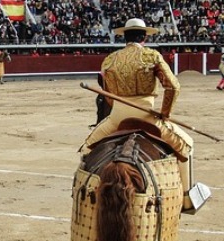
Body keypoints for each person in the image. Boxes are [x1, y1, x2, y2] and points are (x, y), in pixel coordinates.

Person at [80, 18, 193, 197]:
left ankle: (81, 193)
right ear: (144, 37)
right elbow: (173, 87)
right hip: (147, 116)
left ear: (124, 37)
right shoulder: (151, 56)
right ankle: (187, 197)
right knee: (186, 145)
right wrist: (165, 114)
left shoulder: (109, 60)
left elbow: (108, 94)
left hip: (117, 117)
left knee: (86, 149)